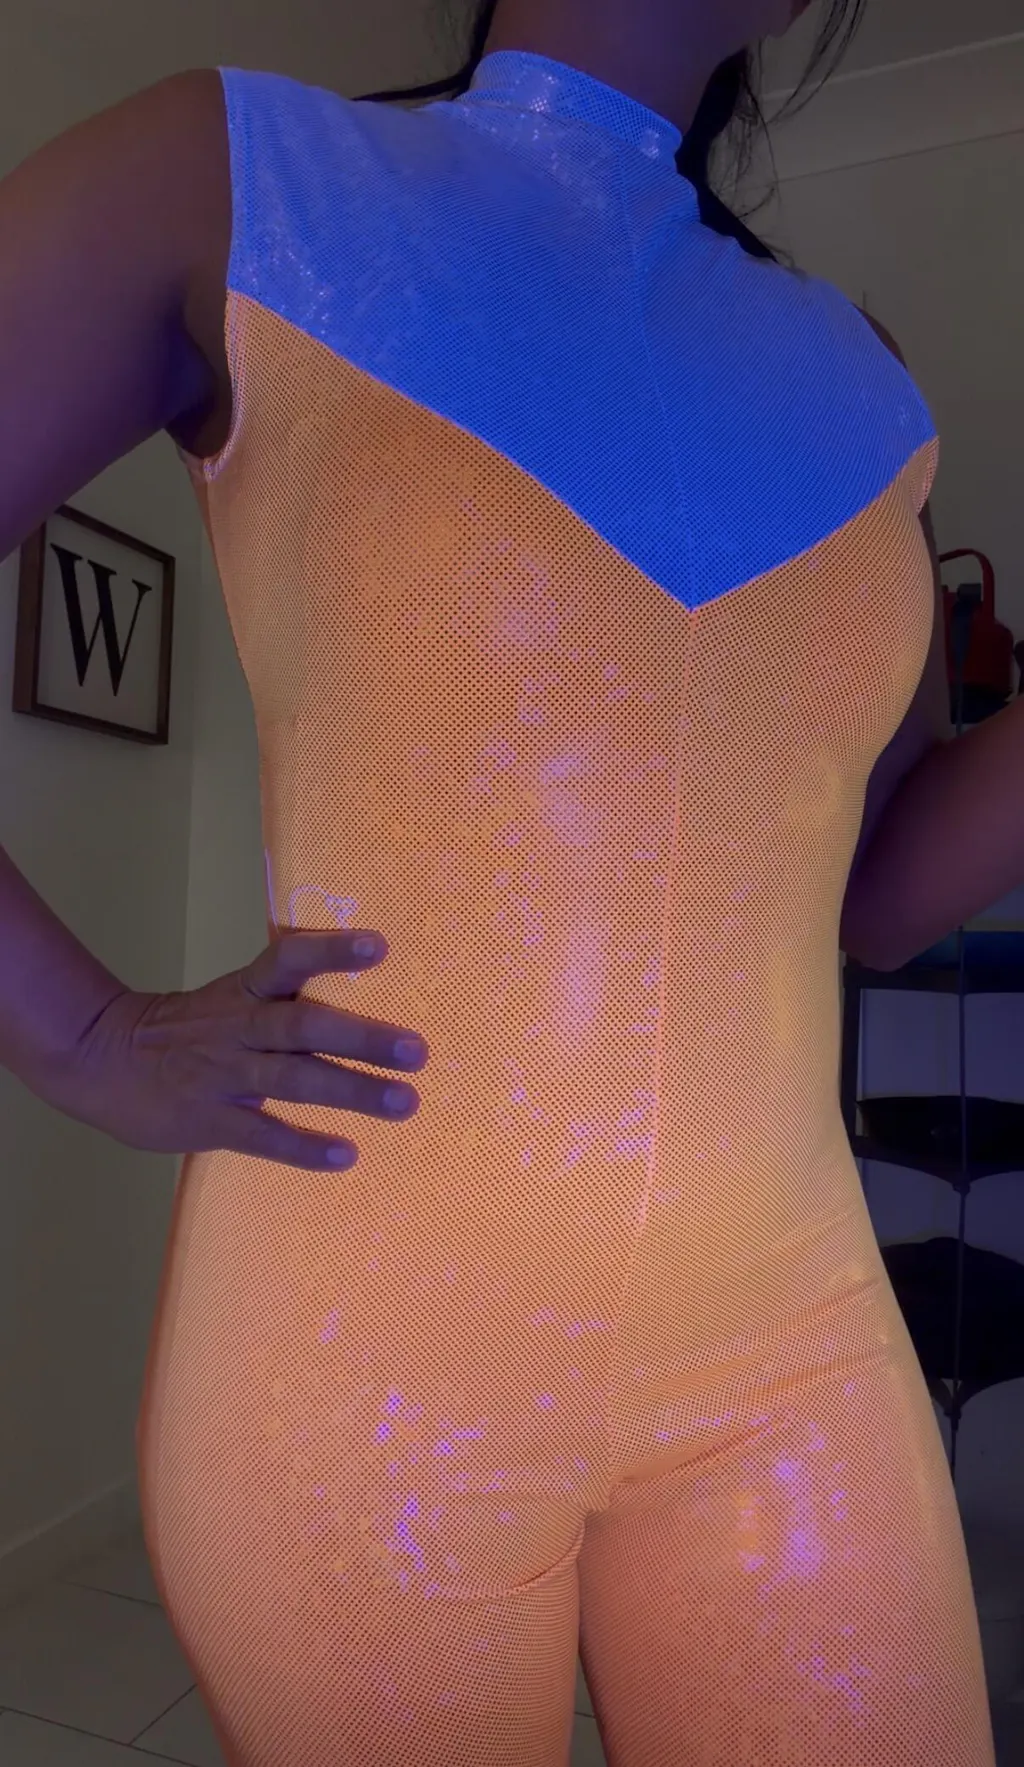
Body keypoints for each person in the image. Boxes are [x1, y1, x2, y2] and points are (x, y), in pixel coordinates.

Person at [0, 0, 1012, 1761]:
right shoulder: (242, 185)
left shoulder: (862, 377)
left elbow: (878, 890)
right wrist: (84, 1032)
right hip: (366, 1369)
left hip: (791, 1348)